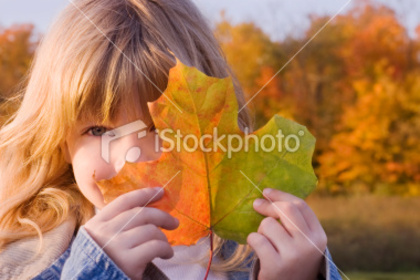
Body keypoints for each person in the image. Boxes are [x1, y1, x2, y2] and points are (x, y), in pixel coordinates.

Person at [0, 0, 342, 279]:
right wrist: (95, 272)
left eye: (161, 128)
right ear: (61, 143)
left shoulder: (260, 251)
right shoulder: (26, 263)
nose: (130, 158)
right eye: (99, 131)